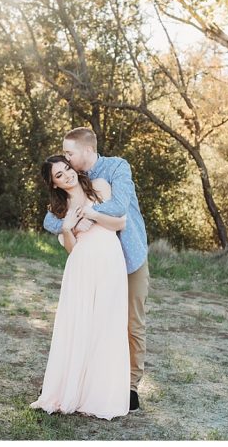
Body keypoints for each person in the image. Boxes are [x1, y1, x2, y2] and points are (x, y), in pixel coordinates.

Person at [42, 127, 150, 412]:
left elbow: (119, 206)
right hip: (95, 262)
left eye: (69, 153)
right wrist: (74, 223)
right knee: (96, 320)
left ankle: (130, 385)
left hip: (130, 254)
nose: (65, 159)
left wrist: (89, 214)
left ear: (87, 150)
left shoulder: (115, 168)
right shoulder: (72, 180)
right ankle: (92, 381)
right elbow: (51, 221)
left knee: (132, 321)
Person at [31, 155, 130, 419]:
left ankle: (99, 396)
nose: (67, 175)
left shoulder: (99, 186)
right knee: (79, 325)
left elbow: (120, 223)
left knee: (105, 325)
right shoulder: (59, 210)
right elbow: (72, 251)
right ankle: (72, 390)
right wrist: (67, 228)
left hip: (109, 259)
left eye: (67, 169)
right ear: (54, 184)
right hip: (81, 265)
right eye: (59, 175)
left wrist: (93, 215)